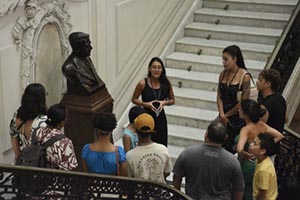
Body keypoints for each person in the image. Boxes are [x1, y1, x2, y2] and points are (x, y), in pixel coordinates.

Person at [173, 121, 244, 200]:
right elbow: (239, 189)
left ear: (206, 135)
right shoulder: (232, 161)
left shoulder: (187, 153)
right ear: (225, 138)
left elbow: (176, 178)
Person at [235, 99, 284, 200]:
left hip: (246, 163)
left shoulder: (245, 129)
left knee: (246, 189)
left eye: (241, 109)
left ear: (246, 114)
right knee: (254, 187)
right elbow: (279, 136)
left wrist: (245, 154)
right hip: (257, 160)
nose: (238, 110)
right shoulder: (262, 125)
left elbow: (239, 148)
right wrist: (266, 145)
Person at [132, 57, 175, 147]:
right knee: (146, 145)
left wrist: (164, 103)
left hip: (160, 118)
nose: (156, 70)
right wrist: (145, 104)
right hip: (146, 117)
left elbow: (172, 100)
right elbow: (134, 99)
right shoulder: (142, 83)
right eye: (154, 67)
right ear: (149, 69)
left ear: (162, 69)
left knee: (162, 145)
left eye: (159, 67)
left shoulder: (166, 83)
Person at [217, 45, 251, 153]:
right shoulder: (222, 74)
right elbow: (219, 96)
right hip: (223, 116)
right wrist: (222, 114)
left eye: (226, 59)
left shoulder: (244, 76)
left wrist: (226, 115)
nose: (223, 62)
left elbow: (243, 102)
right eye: (223, 59)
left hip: (236, 118)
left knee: (230, 148)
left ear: (235, 59)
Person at [126, 113, 172, 184]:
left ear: (135, 131)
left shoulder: (130, 155)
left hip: (138, 193)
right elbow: (167, 172)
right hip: (159, 192)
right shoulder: (163, 149)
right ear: (152, 129)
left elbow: (129, 178)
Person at [9, 83, 48, 161]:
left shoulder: (17, 115)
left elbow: (13, 135)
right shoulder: (43, 121)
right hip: (38, 163)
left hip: (23, 160)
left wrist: (17, 155)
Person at [35, 104, 78, 170]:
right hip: (53, 177)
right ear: (62, 122)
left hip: (35, 173)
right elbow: (71, 167)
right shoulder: (65, 142)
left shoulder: (37, 132)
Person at [62, 32, 105, 96]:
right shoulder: (68, 67)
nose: (91, 48)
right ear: (77, 48)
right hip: (81, 99)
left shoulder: (87, 59)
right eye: (87, 45)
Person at [256, 69, 287, 155]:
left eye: (260, 80)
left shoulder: (265, 105)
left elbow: (259, 128)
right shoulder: (281, 99)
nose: (257, 82)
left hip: (265, 147)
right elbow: (286, 119)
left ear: (268, 84)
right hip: (275, 145)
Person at [249, 133, 278, 200]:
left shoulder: (263, 170)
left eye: (254, 144)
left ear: (262, 151)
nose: (251, 144)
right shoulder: (263, 160)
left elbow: (262, 193)